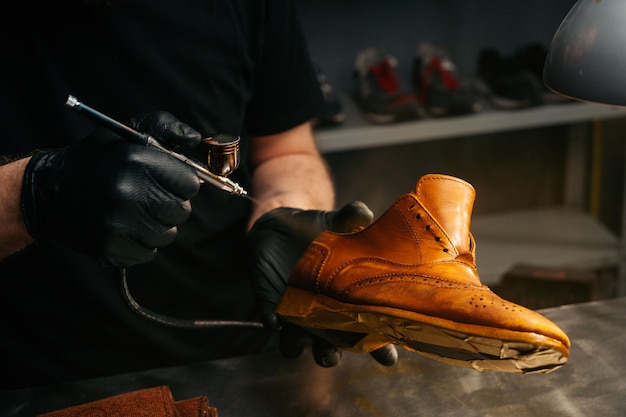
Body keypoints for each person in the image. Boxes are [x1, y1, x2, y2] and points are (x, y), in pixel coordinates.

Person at [0, 0, 398, 390]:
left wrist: (286, 217)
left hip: (243, 360)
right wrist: (35, 192)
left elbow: (287, 149)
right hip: (45, 379)